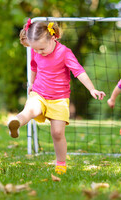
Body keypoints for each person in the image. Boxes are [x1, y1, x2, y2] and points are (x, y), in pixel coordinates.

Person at [8, 19, 106, 174]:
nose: (39, 52)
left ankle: (61, 163)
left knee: (57, 133)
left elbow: (79, 71)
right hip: (39, 93)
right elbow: (34, 66)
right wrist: (31, 84)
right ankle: (16, 123)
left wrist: (92, 89)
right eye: (36, 49)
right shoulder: (36, 50)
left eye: (41, 48)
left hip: (59, 99)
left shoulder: (64, 53)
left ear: (52, 38)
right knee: (30, 110)